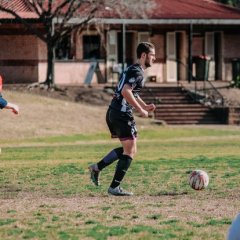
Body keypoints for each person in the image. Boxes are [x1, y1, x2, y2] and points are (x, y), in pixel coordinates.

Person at [89, 42, 156, 196]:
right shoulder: (137, 72)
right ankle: (114, 187)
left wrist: (144, 106)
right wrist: (140, 110)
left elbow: (134, 92)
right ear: (144, 55)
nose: (155, 58)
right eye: (152, 55)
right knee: (131, 150)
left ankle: (97, 168)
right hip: (121, 113)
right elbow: (126, 91)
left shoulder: (134, 69)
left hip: (114, 112)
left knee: (128, 149)